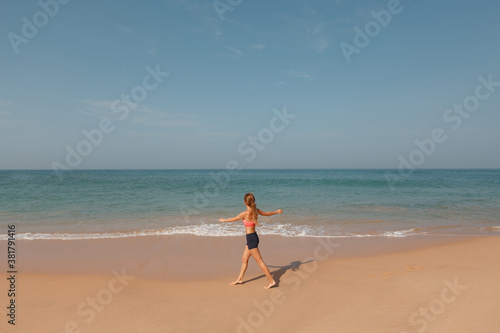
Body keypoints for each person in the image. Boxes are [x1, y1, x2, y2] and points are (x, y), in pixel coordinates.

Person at [218, 193, 283, 289]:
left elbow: (233, 219)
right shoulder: (256, 211)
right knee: (244, 259)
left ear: (244, 202)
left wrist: (223, 220)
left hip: (251, 239)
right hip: (253, 238)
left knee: (260, 261)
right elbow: (268, 214)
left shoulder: (245, 213)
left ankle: (271, 281)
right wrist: (277, 211)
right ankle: (240, 279)